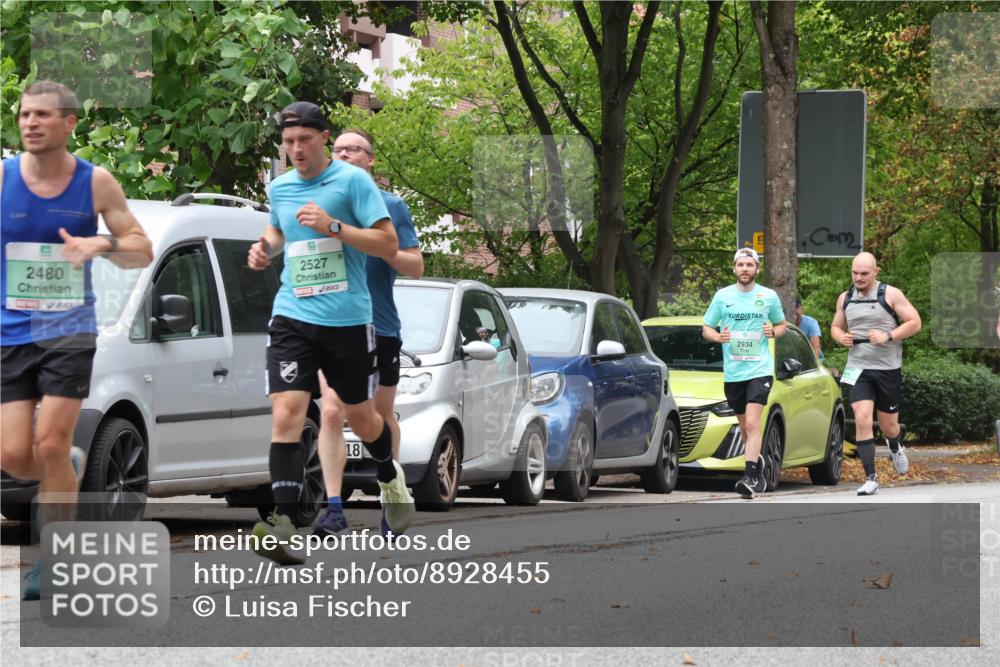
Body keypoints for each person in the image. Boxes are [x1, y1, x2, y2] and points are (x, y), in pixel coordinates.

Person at [1, 81, 153, 599]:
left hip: (68, 329)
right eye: (24, 114)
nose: (30, 123)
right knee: (16, 454)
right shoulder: (1, 179)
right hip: (10, 331)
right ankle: (60, 468)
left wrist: (101, 244)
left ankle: (52, 559)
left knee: (50, 440)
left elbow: (141, 249)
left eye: (42, 114)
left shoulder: (95, 183)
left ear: (69, 123)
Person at [246, 102, 412, 564]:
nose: (295, 150)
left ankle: (387, 474)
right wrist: (263, 250)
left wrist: (334, 226)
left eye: (304, 140)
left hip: (348, 319)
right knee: (287, 414)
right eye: (288, 143)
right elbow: (278, 232)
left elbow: (388, 244)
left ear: (323, 138)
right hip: (292, 314)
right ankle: (283, 523)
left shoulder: (353, 182)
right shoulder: (279, 188)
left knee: (361, 417)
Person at [311, 128, 424, 538]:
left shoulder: (391, 207)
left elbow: (415, 267)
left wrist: (380, 244)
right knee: (330, 411)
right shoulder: (317, 206)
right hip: (329, 326)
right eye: (337, 149)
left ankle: (391, 499)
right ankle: (334, 507)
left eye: (352, 149)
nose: (343, 154)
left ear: (370, 161)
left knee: (375, 417)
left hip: (380, 327)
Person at [831, 252, 921, 496]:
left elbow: (915, 322)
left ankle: (894, 444)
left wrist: (887, 336)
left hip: (887, 368)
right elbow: (836, 327)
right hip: (857, 367)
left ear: (875, 271)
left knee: (888, 425)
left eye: (864, 273)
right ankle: (870, 477)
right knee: (861, 417)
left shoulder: (890, 295)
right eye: (854, 273)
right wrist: (842, 338)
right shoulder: (845, 297)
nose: (858, 278)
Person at [702, 248, 787, 499]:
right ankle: (757, 463)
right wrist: (718, 337)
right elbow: (706, 328)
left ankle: (749, 477)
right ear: (734, 268)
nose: (745, 269)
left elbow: (782, 325)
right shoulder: (722, 296)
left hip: (760, 369)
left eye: (750, 265)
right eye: (741, 265)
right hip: (733, 372)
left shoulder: (768, 296)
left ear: (756, 269)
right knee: (744, 427)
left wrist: (774, 331)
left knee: (752, 422)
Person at [794, 297, 824, 362]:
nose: (794, 312)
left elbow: (816, 346)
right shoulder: (781, 324)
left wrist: (814, 363)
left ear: (801, 308)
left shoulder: (811, 323)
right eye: (791, 309)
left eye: (796, 308)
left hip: (811, 361)